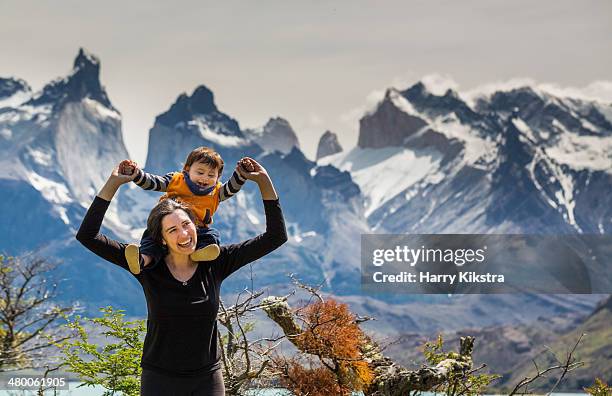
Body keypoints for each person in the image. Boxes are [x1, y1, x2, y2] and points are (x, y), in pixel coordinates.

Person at [76, 157, 287, 395]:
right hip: (159, 379)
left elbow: (275, 237)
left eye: (187, 225)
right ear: (162, 238)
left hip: (207, 379)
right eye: (172, 230)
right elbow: (88, 236)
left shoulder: (216, 262)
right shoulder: (147, 267)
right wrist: (113, 184)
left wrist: (264, 183)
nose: (184, 234)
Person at [118, 147, 250, 274]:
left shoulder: (217, 192)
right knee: (152, 241)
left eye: (211, 175)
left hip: (197, 229)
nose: (205, 178)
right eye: (200, 172)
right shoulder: (175, 180)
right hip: (165, 225)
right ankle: (142, 260)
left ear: (218, 178)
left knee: (212, 236)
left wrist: (241, 173)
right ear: (187, 170)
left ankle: (201, 252)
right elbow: (152, 182)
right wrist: (135, 174)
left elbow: (232, 188)